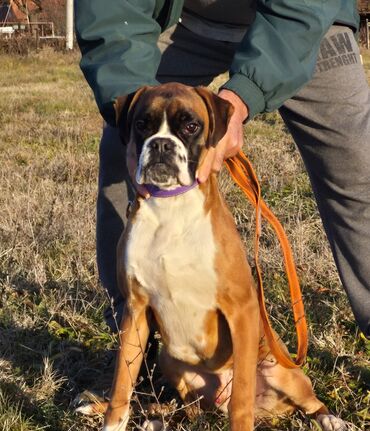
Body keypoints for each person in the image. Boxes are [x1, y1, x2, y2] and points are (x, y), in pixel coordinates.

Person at [74, 1, 370, 339]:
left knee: (358, 161)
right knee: (126, 144)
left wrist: (241, 99)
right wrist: (128, 106)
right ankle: (139, 340)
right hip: (183, 21)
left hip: (302, 22)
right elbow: (111, 11)